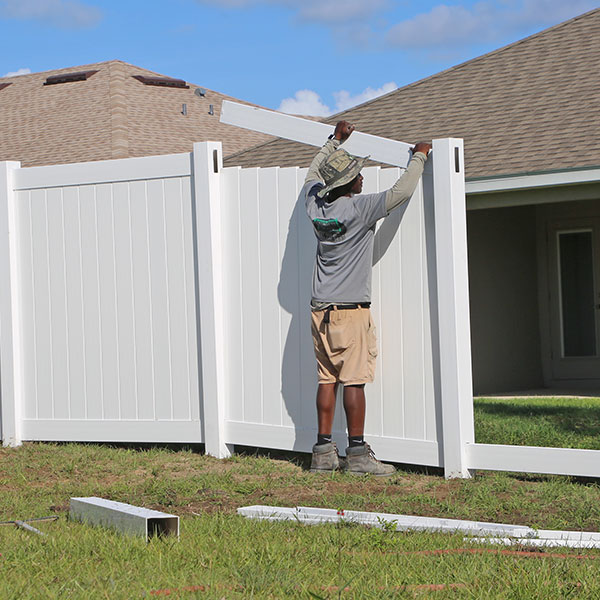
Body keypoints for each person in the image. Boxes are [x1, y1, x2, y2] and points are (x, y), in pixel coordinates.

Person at [301, 120, 432, 475]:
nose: (362, 178)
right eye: (357, 174)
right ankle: (357, 455)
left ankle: (323, 453)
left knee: (326, 380)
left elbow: (314, 174)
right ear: (347, 184)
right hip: (350, 312)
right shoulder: (360, 209)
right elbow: (401, 193)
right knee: (354, 380)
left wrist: (335, 140)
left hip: (320, 310)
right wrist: (419, 157)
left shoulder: (315, 208)